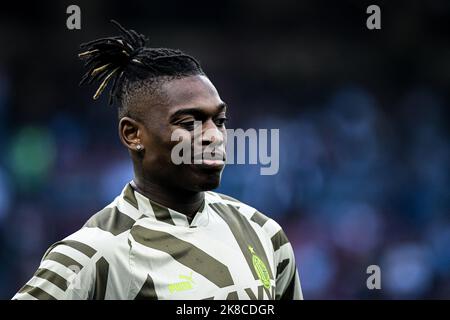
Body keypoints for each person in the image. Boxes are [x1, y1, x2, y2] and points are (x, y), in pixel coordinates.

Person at [13, 21, 302, 300]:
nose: (214, 136)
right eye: (189, 123)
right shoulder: (94, 254)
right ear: (133, 134)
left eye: (220, 120)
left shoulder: (263, 233)